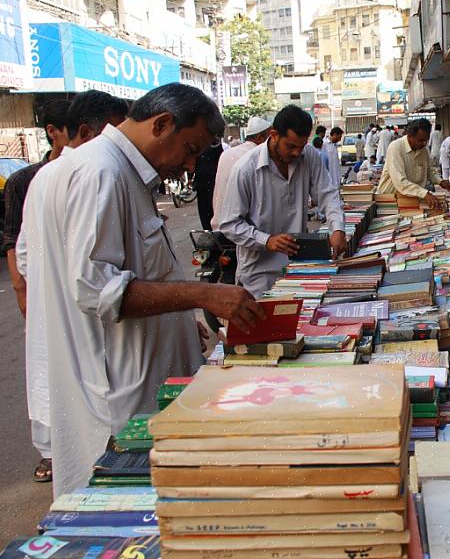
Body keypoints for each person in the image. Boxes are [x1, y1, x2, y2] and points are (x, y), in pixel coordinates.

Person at [23, 83, 263, 497]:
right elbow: (96, 290)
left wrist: (179, 321)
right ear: (162, 124)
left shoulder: (113, 169)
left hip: (136, 379)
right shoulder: (101, 170)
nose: (189, 166)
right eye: (190, 149)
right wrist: (203, 295)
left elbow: (136, 270)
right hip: (119, 394)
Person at [11, 92, 129, 484]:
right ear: (85, 131)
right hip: (88, 335)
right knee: (95, 450)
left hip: (68, 333)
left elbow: (29, 257)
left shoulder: (50, 176)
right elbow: (93, 281)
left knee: (78, 450)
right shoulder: (94, 172)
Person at [218, 105, 348, 298]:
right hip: (259, 273)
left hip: (300, 266)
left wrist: (337, 228)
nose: (297, 153)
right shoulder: (245, 169)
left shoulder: (308, 155)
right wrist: (266, 240)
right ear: (274, 135)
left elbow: (327, 194)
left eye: (301, 146)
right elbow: (229, 224)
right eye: (291, 146)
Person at [4, 100, 70, 319]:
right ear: (52, 131)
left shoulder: (86, 174)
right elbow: (12, 237)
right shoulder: (23, 180)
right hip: (41, 282)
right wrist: (21, 290)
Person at [376, 118, 450, 209]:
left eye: (426, 140)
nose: (424, 143)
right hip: (390, 202)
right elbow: (400, 182)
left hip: (411, 201)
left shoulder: (423, 150)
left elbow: (429, 171)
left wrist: (440, 181)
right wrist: (425, 194)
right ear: (410, 136)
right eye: (420, 140)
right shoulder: (396, 147)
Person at [211, 116, 271, 230]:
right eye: (270, 137)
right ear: (260, 137)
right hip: (240, 230)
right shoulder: (257, 156)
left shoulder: (226, 154)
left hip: (218, 226)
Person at [194, 142, 223, 230]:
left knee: (210, 207)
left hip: (211, 182)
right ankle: (209, 230)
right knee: (205, 208)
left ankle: (211, 230)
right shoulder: (201, 146)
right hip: (204, 182)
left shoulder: (215, 145)